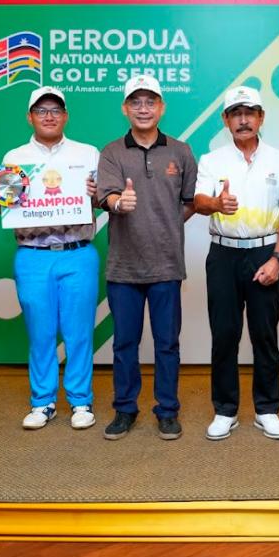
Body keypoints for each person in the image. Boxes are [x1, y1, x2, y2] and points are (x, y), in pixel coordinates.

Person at [0, 86, 100, 431]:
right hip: (33, 255)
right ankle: (43, 401)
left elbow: (105, 199)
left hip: (77, 252)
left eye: (55, 110)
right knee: (41, 331)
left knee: (78, 332)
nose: (49, 116)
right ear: (29, 116)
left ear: (65, 116)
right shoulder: (13, 157)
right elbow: (3, 203)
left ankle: (80, 401)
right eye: (41, 110)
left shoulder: (87, 154)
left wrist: (98, 194)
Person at [193, 86, 279, 441]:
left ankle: (267, 409)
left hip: (264, 253)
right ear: (225, 120)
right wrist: (215, 204)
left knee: (264, 335)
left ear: (261, 117)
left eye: (249, 112)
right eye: (236, 113)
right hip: (223, 254)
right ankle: (225, 410)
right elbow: (199, 199)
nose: (243, 119)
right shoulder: (212, 160)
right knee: (224, 334)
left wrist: (278, 259)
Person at [96, 75, 197, 441]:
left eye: (150, 101)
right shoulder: (110, 152)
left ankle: (167, 410)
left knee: (167, 343)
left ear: (161, 107)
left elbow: (187, 203)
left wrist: (164, 224)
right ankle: (125, 409)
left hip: (167, 265)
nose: (143, 108)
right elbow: (106, 196)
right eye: (135, 102)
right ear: (125, 108)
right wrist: (118, 203)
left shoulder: (181, 151)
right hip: (124, 267)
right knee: (124, 343)